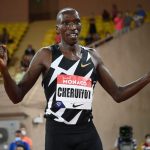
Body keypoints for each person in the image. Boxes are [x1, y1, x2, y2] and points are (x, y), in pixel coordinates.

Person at [0, 8, 150, 150]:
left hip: (87, 133)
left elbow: (118, 94)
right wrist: (5, 70)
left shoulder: (93, 56)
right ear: (58, 28)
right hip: (57, 134)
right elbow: (16, 96)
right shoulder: (45, 55)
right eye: (66, 23)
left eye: (77, 22)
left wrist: (147, 77)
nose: (73, 27)